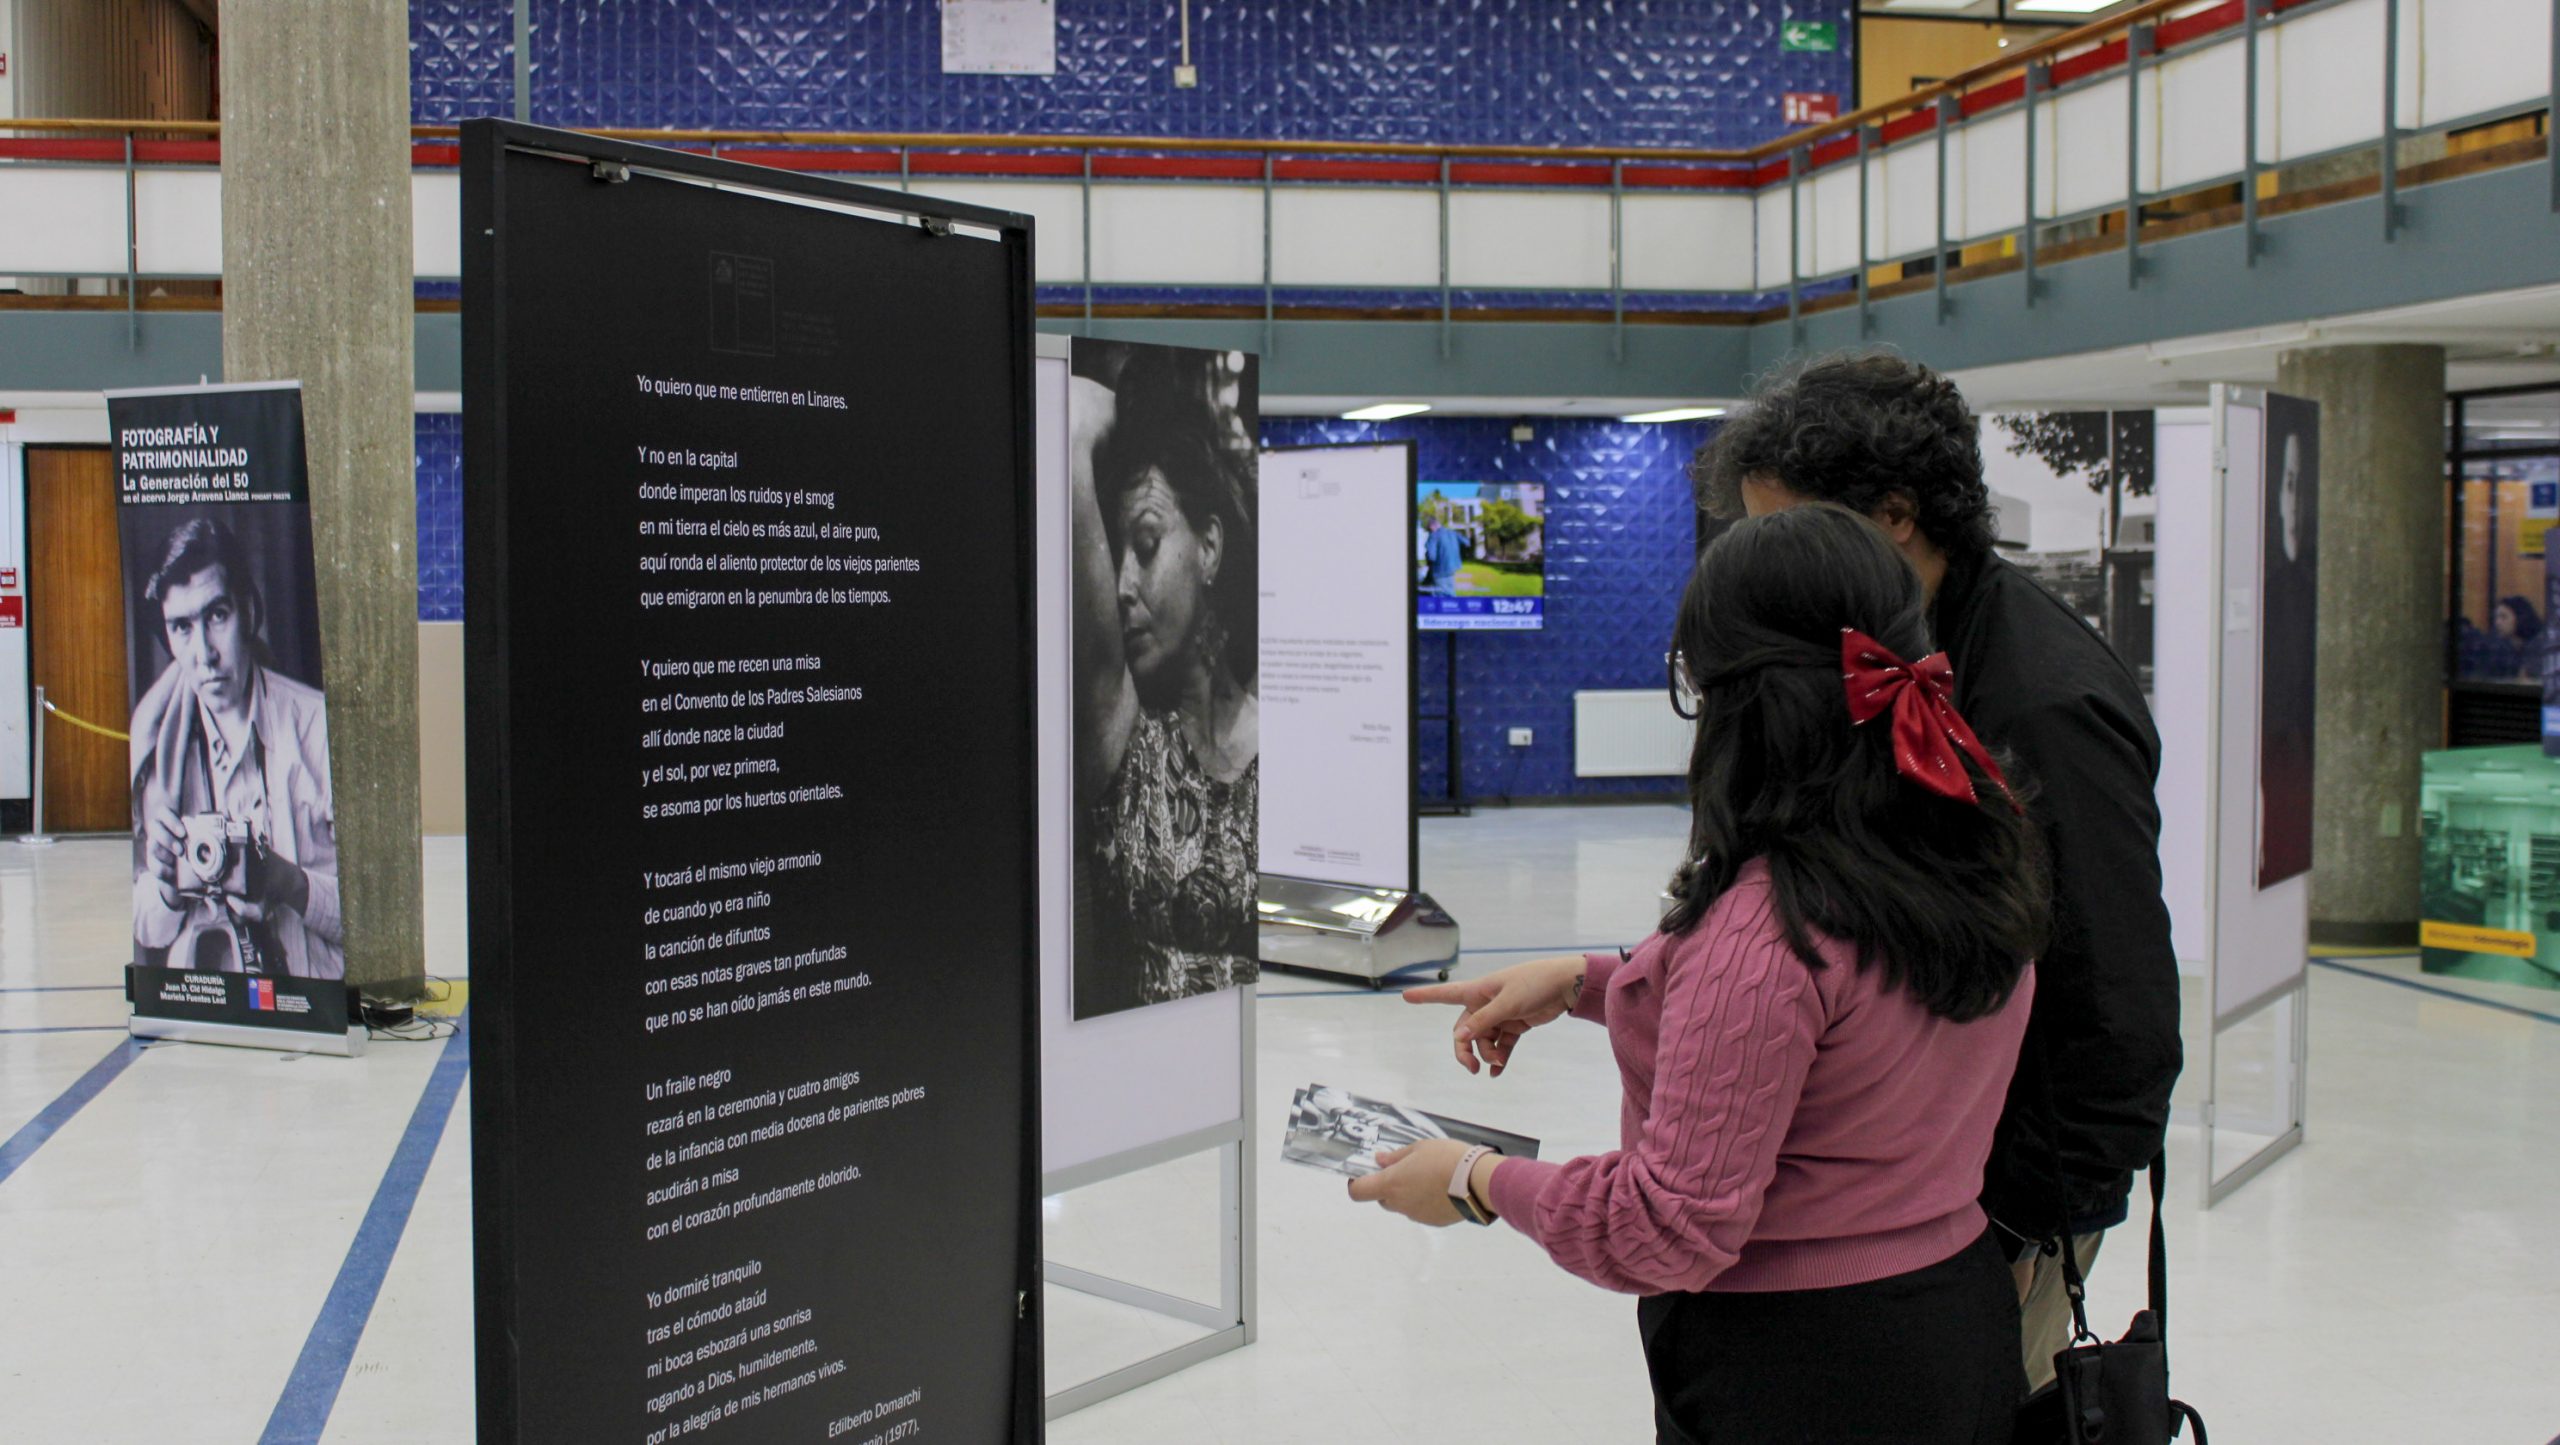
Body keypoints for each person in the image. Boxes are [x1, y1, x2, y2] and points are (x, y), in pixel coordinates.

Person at [1359, 503, 2047, 1444]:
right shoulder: (1969, 848)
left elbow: (1664, 1227)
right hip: (1954, 1316)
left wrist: (1475, 1178)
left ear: (1737, 699)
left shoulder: (1772, 923)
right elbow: (1848, 1032)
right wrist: (1584, 980)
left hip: (1798, 1370)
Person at [1691, 352, 2183, 1391]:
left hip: (1988, 1219)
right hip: (1904, 1203)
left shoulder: (2042, 707)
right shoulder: (1878, 656)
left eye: (1795, 531)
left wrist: (2004, 1235)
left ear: (1899, 514)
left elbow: (2120, 1022)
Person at [1069, 347, 1260, 1016]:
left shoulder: (1277, 735)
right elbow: (1070, 429)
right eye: (1114, 553)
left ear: (1208, 548)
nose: (1122, 585)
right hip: (1134, 1080)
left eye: (1146, 546)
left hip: (1241, 1067)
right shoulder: (1122, 734)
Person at [130, 516, 342, 980]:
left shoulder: (321, 729)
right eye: (181, 627)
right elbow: (146, 929)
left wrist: (288, 883)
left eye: (216, 615)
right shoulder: (158, 751)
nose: (203, 653)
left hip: (312, 1000)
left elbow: (377, 918)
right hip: (211, 999)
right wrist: (165, 884)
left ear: (247, 609)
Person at [1420, 514, 1463, 595]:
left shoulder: (1434, 535)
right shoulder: (1451, 532)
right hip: (1452, 569)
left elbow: (1431, 556)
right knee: (1450, 594)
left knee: (1440, 598)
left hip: (1439, 571)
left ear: (1432, 527)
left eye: (1429, 530)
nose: (1429, 532)